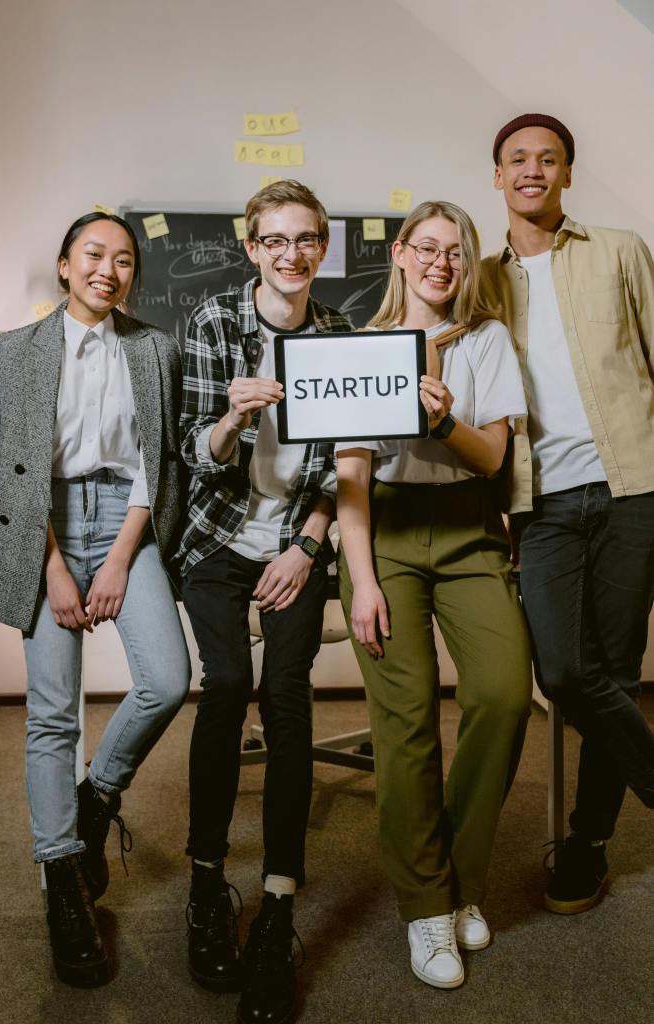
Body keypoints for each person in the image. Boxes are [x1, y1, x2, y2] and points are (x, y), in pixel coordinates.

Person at [0, 213, 191, 987]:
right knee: (52, 713)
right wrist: (52, 569)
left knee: (168, 679)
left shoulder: (155, 348)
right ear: (65, 265)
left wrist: (121, 559)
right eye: (93, 254)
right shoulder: (17, 350)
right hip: (46, 526)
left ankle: (94, 799)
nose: (109, 270)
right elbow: (5, 463)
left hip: (128, 521)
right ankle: (62, 881)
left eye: (124, 260)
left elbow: (159, 462)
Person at [335, 200, 532, 989]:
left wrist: (446, 422)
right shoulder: (360, 348)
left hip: (467, 530)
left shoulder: (485, 340)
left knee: (502, 695)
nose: (439, 263)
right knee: (406, 719)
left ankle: (460, 882)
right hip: (384, 534)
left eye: (454, 251)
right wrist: (362, 583)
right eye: (425, 247)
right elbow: (351, 475)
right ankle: (424, 905)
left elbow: (491, 458)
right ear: (400, 254)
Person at [177, 180, 350, 1024]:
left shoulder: (340, 336)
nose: (291, 254)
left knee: (285, 695)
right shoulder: (214, 322)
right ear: (251, 248)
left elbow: (350, 464)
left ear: (323, 246)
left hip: (295, 541)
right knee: (224, 686)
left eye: (305, 239)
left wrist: (306, 545)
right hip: (216, 539)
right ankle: (207, 882)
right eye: (274, 240)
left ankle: (278, 903)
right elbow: (194, 453)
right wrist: (228, 417)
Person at [481, 113, 654, 914]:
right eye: (517, 158)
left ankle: (586, 844)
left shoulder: (619, 251)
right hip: (540, 501)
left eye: (547, 158)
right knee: (560, 671)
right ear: (497, 176)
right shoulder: (482, 281)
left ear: (566, 174)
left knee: (614, 673)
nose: (532, 170)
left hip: (631, 489)